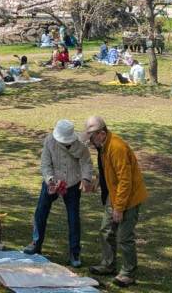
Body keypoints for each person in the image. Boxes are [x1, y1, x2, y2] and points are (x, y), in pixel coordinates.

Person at [84, 116, 146, 288]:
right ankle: (108, 265)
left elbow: (125, 181)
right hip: (114, 194)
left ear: (101, 134)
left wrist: (118, 208)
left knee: (124, 236)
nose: (90, 142)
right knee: (106, 230)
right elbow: (107, 169)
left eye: (92, 137)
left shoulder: (117, 147)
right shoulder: (104, 146)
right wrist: (98, 180)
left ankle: (128, 273)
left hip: (129, 197)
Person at [23, 120, 94, 267]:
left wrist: (86, 178)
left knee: (73, 218)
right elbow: (45, 164)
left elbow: (87, 162)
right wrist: (50, 180)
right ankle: (36, 243)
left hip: (73, 183)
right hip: (52, 181)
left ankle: (74, 253)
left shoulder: (80, 144)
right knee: (40, 211)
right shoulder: (49, 141)